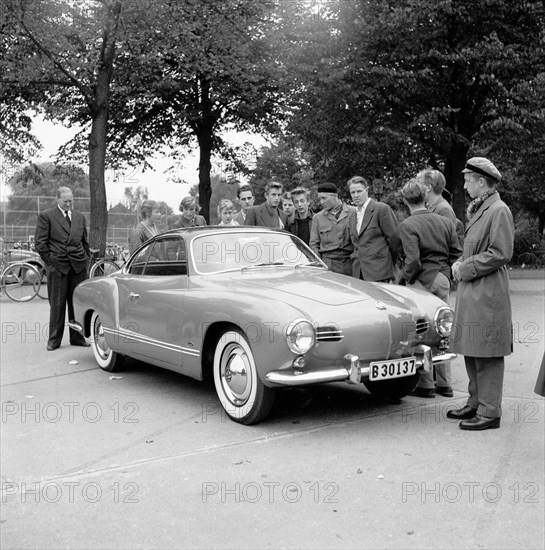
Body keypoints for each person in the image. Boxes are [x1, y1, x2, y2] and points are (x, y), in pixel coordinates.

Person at [448, 157, 515, 431]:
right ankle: (476, 402)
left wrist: (465, 267)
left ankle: (490, 411)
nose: (464, 185)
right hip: (475, 292)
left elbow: (501, 253)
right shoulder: (482, 209)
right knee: (473, 349)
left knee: (487, 353)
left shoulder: (498, 209)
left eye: (467, 180)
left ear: (480, 181)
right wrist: (460, 264)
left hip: (487, 294)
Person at [398, 179, 462, 398]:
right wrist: (446, 273)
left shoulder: (407, 225)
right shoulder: (445, 222)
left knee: (421, 332)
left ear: (405, 200)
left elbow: (413, 261)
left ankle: (426, 385)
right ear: (424, 197)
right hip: (442, 277)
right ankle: (445, 384)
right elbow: (456, 252)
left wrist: (402, 280)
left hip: (421, 282)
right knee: (443, 331)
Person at [34, 186, 90, 351]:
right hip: (58, 267)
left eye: (70, 201)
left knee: (77, 304)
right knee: (57, 306)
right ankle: (54, 340)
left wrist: (85, 258)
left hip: (78, 266)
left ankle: (78, 338)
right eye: (65, 201)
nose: (68, 204)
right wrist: (51, 263)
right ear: (57, 199)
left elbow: (84, 242)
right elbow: (40, 244)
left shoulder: (79, 217)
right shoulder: (46, 216)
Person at [347, 176, 401, 282]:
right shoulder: (352, 215)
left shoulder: (381, 209)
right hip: (358, 273)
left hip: (380, 272)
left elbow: (395, 239)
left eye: (359, 191)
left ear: (367, 190)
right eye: (353, 192)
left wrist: (389, 263)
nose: (356, 195)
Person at [309, 182, 355, 275]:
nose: (321, 202)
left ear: (335, 196)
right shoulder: (318, 218)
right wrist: (320, 265)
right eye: (320, 199)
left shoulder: (353, 212)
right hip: (328, 264)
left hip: (350, 263)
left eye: (324, 198)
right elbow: (314, 245)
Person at [417, 168, 464, 246]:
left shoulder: (444, 210)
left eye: (419, 184)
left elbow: (447, 243)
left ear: (428, 187)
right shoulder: (430, 207)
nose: (416, 188)